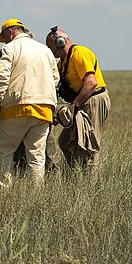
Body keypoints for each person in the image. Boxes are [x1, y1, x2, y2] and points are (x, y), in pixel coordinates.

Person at [0, 19, 58, 187]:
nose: (5, 41)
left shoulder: (9, 48)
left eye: (5, 37)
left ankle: (2, 193)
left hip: (16, 108)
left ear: (10, 32)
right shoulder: (45, 50)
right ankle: (35, 195)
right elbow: (55, 78)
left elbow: (1, 77)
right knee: (37, 156)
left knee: (3, 150)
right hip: (44, 109)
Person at [46, 26, 110, 176]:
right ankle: (77, 175)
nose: (50, 51)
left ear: (60, 42)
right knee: (65, 141)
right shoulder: (63, 62)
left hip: (93, 100)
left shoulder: (79, 53)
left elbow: (91, 82)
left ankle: (90, 185)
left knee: (89, 145)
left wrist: (74, 106)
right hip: (81, 102)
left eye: (50, 46)